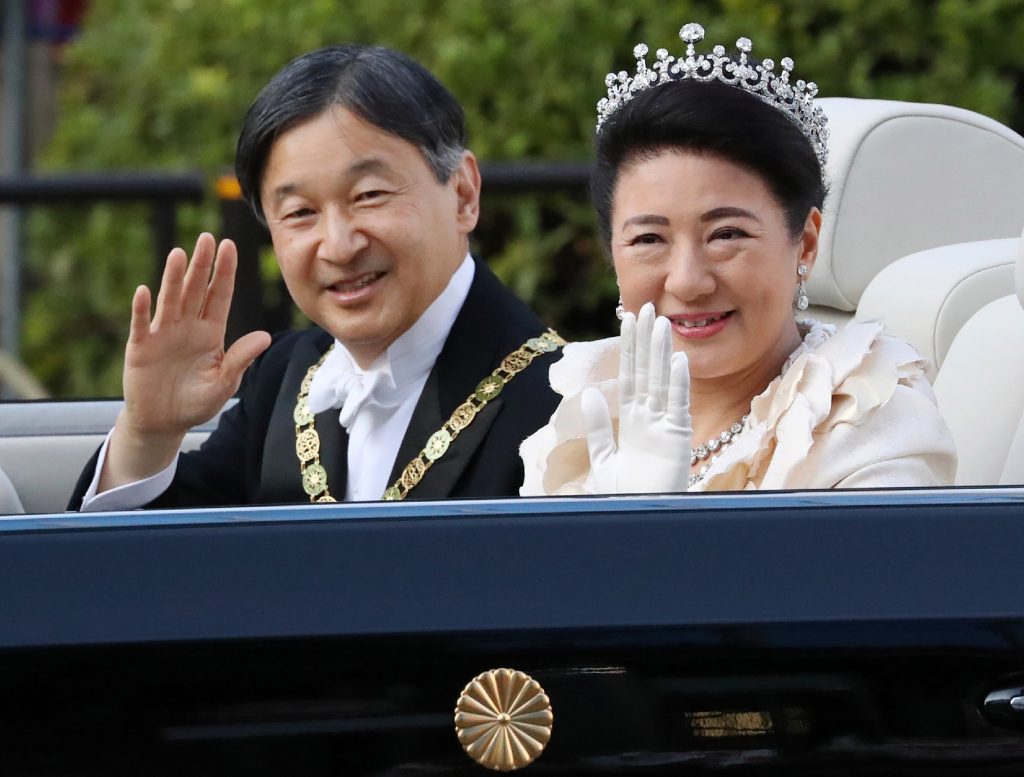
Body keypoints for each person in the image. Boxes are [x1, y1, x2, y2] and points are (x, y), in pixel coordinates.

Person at [70, 45, 563, 510]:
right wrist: (147, 436)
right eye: (301, 212)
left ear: (462, 194)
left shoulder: (563, 400)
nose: (339, 245)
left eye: (369, 195)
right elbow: (149, 572)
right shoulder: (284, 377)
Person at [520, 23, 956, 495]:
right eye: (649, 239)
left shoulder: (874, 427)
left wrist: (652, 520)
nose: (687, 282)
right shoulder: (588, 408)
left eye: (726, 234)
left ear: (805, 244)